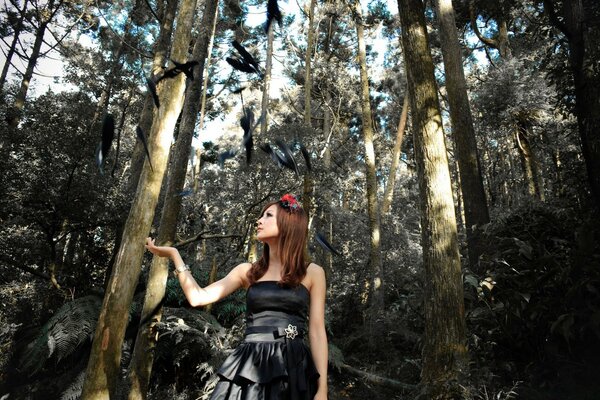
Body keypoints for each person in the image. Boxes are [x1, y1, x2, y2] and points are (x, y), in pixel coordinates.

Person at [145, 193, 328, 400]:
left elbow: (317, 332)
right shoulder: (247, 271)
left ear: (289, 224)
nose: (259, 220)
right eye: (261, 215)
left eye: (268, 215)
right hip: (251, 364)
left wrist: (322, 390)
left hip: (293, 366)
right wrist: (174, 255)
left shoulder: (313, 272)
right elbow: (197, 298)